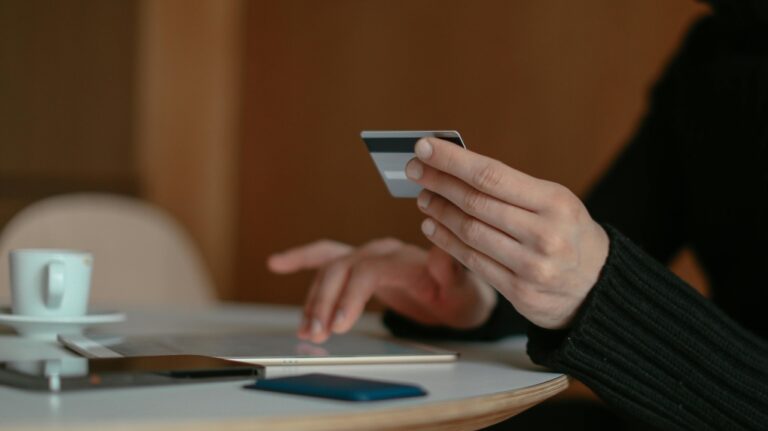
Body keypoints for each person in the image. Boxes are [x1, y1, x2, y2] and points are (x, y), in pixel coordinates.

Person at [267, 1, 768, 430]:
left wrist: (598, 291)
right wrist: (480, 296)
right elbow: (601, 243)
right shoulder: (717, 53)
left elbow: (595, 275)